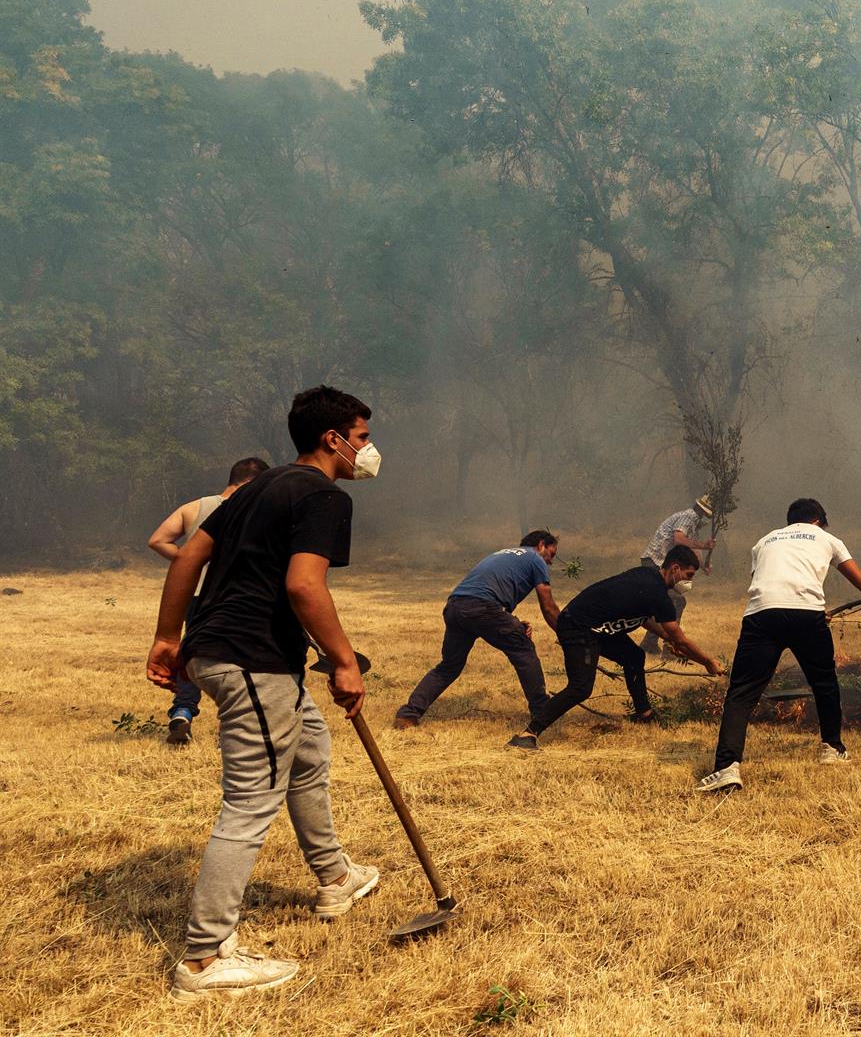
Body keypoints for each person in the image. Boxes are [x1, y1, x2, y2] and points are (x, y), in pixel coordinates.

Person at [143, 385, 383, 1002]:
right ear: (333, 440)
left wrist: (171, 637)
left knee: (308, 750)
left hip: (233, 652)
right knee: (251, 803)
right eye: (360, 436)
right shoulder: (324, 495)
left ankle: (334, 877)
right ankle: (204, 960)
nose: (367, 449)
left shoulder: (258, 486)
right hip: (252, 660)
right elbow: (306, 586)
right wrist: (345, 661)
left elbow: (188, 556)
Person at [696, 499, 861, 792]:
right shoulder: (828, 539)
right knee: (824, 683)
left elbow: (765, 583)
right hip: (807, 615)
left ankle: (727, 767)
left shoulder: (764, 541)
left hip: (761, 614)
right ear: (818, 520)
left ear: (791, 521)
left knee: (741, 693)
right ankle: (832, 748)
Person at [509, 544, 723, 749]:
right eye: (689, 575)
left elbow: (645, 617)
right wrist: (707, 662)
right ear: (675, 568)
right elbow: (681, 640)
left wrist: (667, 638)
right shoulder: (658, 594)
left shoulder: (648, 578)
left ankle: (644, 715)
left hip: (597, 628)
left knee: (634, 657)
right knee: (580, 688)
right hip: (579, 627)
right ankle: (528, 734)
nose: (689, 582)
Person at [145, 456, 271, 746]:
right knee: (239, 659)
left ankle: (183, 711)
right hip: (237, 597)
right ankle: (234, 724)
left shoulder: (194, 507)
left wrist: (188, 562)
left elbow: (157, 540)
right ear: (255, 483)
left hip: (195, 595)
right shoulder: (256, 509)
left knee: (192, 655)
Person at [392, 532, 562, 731]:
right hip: (483, 609)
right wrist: (567, 634)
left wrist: (512, 622)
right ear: (541, 545)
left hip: (456, 606)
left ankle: (408, 715)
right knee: (524, 651)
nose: (550, 562)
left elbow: (487, 591)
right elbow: (548, 606)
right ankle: (542, 713)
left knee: (448, 667)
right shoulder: (535, 558)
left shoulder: (502, 554)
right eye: (551, 554)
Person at [638, 495, 716, 652]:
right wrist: (704, 545)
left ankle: (651, 643)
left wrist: (703, 565)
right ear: (701, 510)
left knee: (670, 601)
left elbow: (692, 548)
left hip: (657, 562)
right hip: (656, 562)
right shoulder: (688, 516)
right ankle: (670, 647)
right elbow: (679, 539)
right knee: (676, 601)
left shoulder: (692, 522)